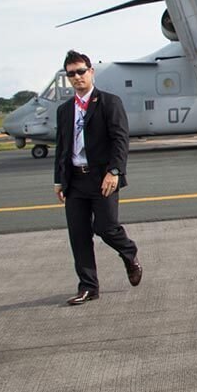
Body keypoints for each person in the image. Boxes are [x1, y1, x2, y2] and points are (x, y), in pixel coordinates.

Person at [54, 50, 142, 305]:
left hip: (102, 178)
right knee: (78, 235)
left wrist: (114, 171)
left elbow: (119, 140)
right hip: (75, 180)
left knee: (105, 227)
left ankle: (129, 252)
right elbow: (62, 147)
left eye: (81, 71)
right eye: (71, 74)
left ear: (91, 72)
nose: (77, 77)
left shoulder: (109, 102)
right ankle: (88, 287)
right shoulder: (64, 110)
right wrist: (59, 180)